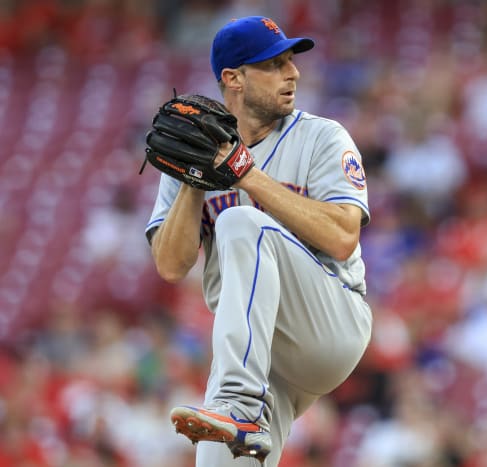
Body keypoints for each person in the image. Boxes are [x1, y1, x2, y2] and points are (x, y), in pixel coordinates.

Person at [144, 15, 373, 466]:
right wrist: (195, 177)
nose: (294, 73)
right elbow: (171, 266)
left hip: (329, 320)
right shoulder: (192, 150)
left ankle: (238, 404)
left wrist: (246, 175)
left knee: (238, 222)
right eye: (275, 64)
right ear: (234, 79)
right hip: (258, 353)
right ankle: (240, 408)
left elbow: (344, 237)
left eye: (291, 61)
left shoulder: (321, 137)